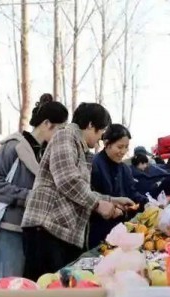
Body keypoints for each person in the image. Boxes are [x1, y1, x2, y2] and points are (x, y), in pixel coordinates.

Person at [22, 103, 132, 280]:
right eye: (100, 131)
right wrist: (98, 204)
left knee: (59, 290)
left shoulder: (81, 149)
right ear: (89, 125)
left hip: (61, 231)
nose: (100, 138)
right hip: (46, 228)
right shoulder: (65, 136)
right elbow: (67, 180)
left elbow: (81, 188)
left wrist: (111, 200)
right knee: (44, 291)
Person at [0, 94, 69, 279]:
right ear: (47, 123)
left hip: (35, 231)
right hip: (10, 228)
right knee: (10, 288)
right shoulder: (12, 146)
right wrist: (27, 196)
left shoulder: (44, 152)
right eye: (59, 130)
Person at [89, 124, 148, 248]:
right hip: (99, 230)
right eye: (120, 147)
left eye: (126, 147)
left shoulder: (124, 168)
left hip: (121, 228)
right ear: (107, 143)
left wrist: (146, 202)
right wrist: (112, 207)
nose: (123, 152)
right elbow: (90, 195)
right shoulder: (94, 165)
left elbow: (131, 192)